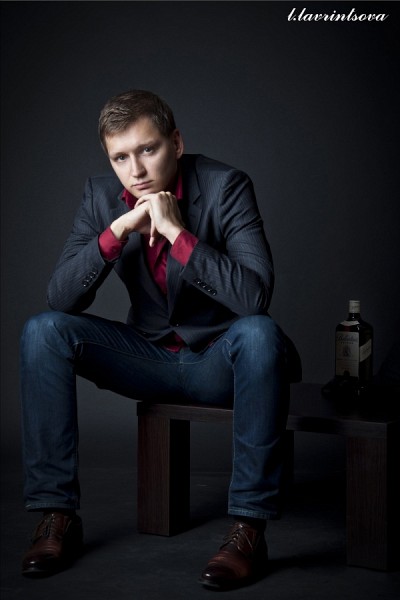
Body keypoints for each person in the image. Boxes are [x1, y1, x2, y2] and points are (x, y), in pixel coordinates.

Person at [20, 89, 300, 589]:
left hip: (218, 359)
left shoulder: (226, 186)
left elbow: (254, 297)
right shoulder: (100, 197)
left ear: (176, 142)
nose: (136, 170)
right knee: (43, 331)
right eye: (120, 158)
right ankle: (56, 516)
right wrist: (117, 231)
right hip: (145, 356)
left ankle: (248, 530)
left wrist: (178, 235)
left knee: (260, 333)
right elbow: (60, 298)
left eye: (148, 149)